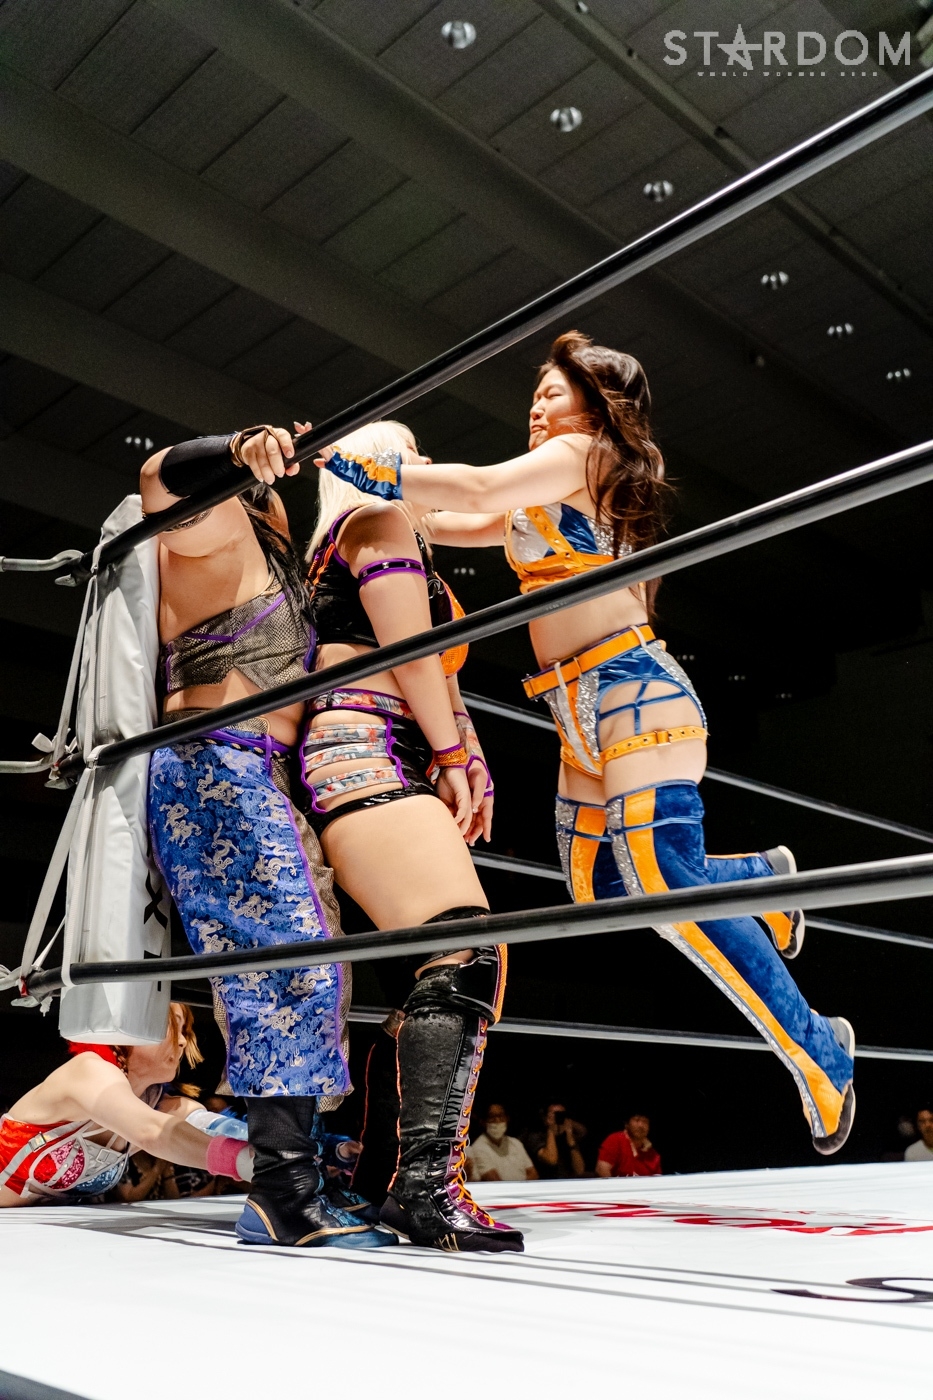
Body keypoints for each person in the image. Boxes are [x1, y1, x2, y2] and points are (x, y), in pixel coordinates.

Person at [312, 330, 856, 1155]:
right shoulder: (545, 490)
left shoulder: (588, 454)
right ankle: (759, 882)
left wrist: (369, 466)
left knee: (658, 882)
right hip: (572, 711)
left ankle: (817, 1051)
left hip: (632, 689)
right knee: (599, 887)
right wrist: (360, 500)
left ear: (596, 404)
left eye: (551, 392)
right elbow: (457, 518)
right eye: (534, 394)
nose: (535, 406)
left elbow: (476, 483)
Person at [140, 426, 393, 1249]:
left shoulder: (271, 558)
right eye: (273, 487)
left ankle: (295, 1180)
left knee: (305, 961)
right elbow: (158, 478)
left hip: (249, 767)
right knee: (288, 965)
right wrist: (236, 449)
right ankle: (283, 1193)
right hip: (216, 759)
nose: (287, 500)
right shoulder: (217, 531)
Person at [295, 419, 521, 1254]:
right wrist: (455, 753)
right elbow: (412, 649)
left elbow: (437, 663)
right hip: (363, 744)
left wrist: (466, 755)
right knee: (463, 948)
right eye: (411, 450)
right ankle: (422, 1190)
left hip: (386, 746)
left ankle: (391, 1177)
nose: (423, 464)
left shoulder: (388, 531)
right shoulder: (377, 519)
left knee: (452, 957)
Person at [0, 1003, 250, 1205]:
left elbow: (212, 1128)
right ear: (131, 1027)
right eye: (173, 1025)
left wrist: (266, 1152)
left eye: (184, 1030)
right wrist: (249, 1164)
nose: (183, 1042)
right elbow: (151, 1130)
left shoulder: (154, 1103)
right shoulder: (90, 1070)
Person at [467, 1104, 538, 1182]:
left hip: (525, 1189)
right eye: (492, 1117)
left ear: (507, 1118)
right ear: (483, 1122)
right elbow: (495, 1180)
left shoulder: (516, 1143)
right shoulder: (479, 1147)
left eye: (501, 1116)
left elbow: (533, 1174)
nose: (497, 1120)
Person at [525, 1103, 586, 1179]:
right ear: (545, 1117)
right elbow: (551, 1160)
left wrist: (571, 1142)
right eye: (555, 1114)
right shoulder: (536, 1136)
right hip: (547, 1181)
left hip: (568, 1180)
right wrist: (551, 1129)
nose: (558, 1117)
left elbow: (580, 1171)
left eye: (561, 1114)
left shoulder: (567, 1135)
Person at [596, 1114, 661, 1177]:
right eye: (636, 1120)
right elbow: (601, 1170)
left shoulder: (653, 1155)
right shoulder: (615, 1140)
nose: (641, 1125)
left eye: (645, 1121)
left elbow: (657, 1181)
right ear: (626, 1124)